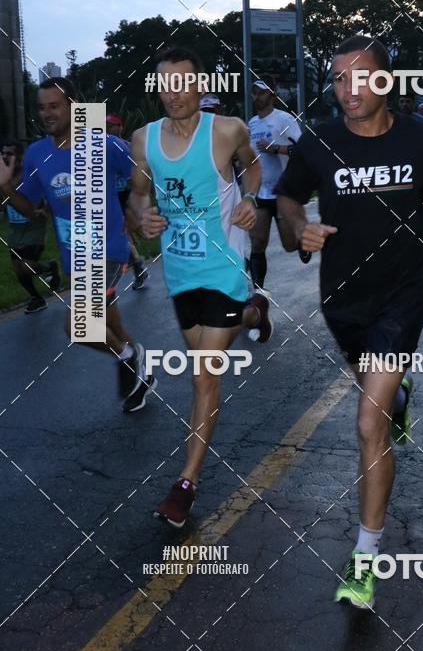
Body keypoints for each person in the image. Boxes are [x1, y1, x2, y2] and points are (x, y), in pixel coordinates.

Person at [276, 35, 423, 609]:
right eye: (337, 79)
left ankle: (364, 559)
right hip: (342, 298)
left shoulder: (421, 135)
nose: (346, 89)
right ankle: (398, 392)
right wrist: (298, 232)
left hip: (402, 293)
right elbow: (286, 202)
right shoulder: (320, 142)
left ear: (385, 82)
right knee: (379, 398)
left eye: (359, 78)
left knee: (366, 424)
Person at [129, 47, 273, 528]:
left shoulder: (228, 129)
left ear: (199, 85)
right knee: (210, 351)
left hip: (224, 266)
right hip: (181, 274)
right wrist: (142, 219)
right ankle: (254, 311)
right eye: (164, 83)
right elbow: (138, 196)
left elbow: (253, 167)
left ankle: (186, 483)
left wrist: (250, 198)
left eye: (182, 82)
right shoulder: (143, 140)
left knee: (203, 376)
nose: (173, 92)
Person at [0, 78, 153, 413]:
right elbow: (30, 208)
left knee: (79, 326)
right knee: (110, 325)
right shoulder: (39, 152)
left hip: (109, 249)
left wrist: (135, 208)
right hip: (75, 257)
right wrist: (5, 185)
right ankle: (140, 368)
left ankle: (128, 358)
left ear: (73, 106)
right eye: (42, 107)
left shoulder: (106, 145)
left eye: (54, 106)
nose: (47, 114)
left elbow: (143, 173)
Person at [247, 75, 302, 290]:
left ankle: (301, 242)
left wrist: (275, 148)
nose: (257, 97)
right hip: (261, 192)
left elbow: (303, 149)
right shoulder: (251, 123)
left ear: (272, 94)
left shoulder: (284, 119)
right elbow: (251, 157)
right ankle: (259, 294)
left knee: (288, 245)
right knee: (258, 242)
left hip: (283, 192)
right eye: (254, 92)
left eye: (261, 92)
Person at [2, 140, 60, 313]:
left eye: (10, 153)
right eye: (3, 153)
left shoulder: (31, 174)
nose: (5, 156)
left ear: (20, 156)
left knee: (26, 265)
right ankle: (37, 298)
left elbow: (51, 191)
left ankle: (50, 266)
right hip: (15, 228)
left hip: (34, 226)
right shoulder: (3, 177)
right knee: (19, 270)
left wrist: (45, 210)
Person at [106, 113, 149, 291]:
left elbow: (140, 173)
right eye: (106, 126)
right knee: (121, 233)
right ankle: (138, 267)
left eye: (112, 126)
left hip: (127, 194)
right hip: (112, 194)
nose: (108, 129)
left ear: (120, 127)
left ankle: (138, 266)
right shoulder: (104, 146)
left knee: (122, 233)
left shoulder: (129, 146)